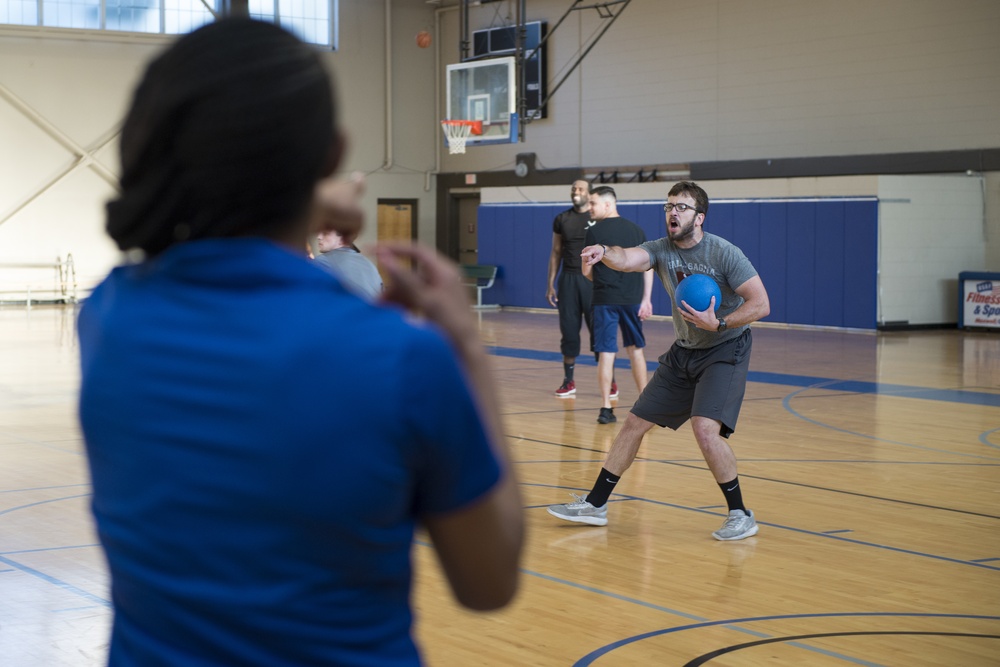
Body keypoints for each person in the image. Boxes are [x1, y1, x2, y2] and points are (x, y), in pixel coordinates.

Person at [77, 18, 524, 666]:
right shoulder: (402, 358)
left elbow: (218, 214)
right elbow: (489, 582)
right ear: (332, 152)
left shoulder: (109, 317)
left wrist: (298, 195)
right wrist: (468, 350)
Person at [548, 181, 770, 541]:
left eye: (681, 207)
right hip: (684, 350)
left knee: (704, 428)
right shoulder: (661, 250)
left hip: (725, 349)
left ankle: (740, 514)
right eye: (668, 206)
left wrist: (722, 322)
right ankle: (595, 505)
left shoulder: (725, 253)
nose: (672, 212)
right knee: (634, 422)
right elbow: (628, 258)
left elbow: (761, 303)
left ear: (700, 217)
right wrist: (603, 250)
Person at [582, 186, 653, 424]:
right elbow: (648, 266)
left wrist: (601, 280)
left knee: (606, 354)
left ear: (608, 204)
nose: (589, 208)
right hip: (632, 300)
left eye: (593, 203)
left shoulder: (593, 233)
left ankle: (605, 408)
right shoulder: (637, 231)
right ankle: (645, 408)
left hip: (604, 301)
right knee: (636, 351)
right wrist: (646, 299)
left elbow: (586, 271)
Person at [546, 180, 617, 399]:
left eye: (580, 189)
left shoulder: (598, 218)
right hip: (568, 280)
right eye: (573, 189)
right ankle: (569, 382)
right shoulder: (562, 219)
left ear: (589, 194)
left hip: (593, 281)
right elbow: (556, 252)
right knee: (568, 332)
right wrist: (550, 283)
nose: (576, 192)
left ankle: (610, 381)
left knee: (599, 331)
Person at [314, 175, 383, 300]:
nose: (318, 237)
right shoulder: (369, 266)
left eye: (324, 233)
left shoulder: (323, 262)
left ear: (342, 235)